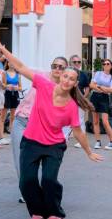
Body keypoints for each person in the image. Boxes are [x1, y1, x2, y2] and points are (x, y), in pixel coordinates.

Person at [0, 35, 102, 219]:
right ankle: (37, 209)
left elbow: (79, 131)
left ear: (75, 84)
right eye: (65, 76)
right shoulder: (44, 85)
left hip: (53, 146)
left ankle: (55, 210)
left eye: (71, 79)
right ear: (60, 76)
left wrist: (89, 152)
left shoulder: (71, 106)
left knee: (49, 180)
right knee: (27, 181)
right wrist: (2, 49)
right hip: (31, 141)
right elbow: (21, 67)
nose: (66, 81)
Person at [10, 56, 69, 204]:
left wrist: (64, 135)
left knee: (41, 160)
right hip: (22, 121)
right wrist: (3, 51)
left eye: (61, 67)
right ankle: (27, 191)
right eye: (54, 65)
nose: (57, 69)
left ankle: (41, 191)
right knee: (20, 160)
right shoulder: (41, 76)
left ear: (65, 70)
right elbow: (22, 67)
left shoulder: (64, 89)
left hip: (41, 127)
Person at [88, 58, 112, 150]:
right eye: (104, 64)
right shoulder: (98, 73)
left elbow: (111, 90)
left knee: (105, 122)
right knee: (95, 121)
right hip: (95, 97)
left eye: (108, 64)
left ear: (111, 66)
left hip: (104, 99)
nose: (105, 65)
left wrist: (99, 86)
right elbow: (91, 85)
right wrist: (103, 89)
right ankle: (98, 142)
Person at [70, 54, 91, 138]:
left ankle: (81, 139)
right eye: (75, 62)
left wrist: (83, 98)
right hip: (67, 100)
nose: (77, 63)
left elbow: (87, 88)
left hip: (80, 101)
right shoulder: (66, 73)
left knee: (80, 120)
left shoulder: (83, 74)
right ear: (70, 63)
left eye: (79, 62)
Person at [1, 60, 21, 140]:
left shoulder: (18, 75)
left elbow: (20, 87)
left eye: (13, 63)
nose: (12, 64)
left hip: (15, 94)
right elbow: (3, 85)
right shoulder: (5, 73)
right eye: (10, 62)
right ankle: (1, 135)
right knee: (3, 115)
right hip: (7, 94)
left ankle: (11, 133)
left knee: (13, 116)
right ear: (8, 63)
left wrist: (17, 88)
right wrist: (7, 86)